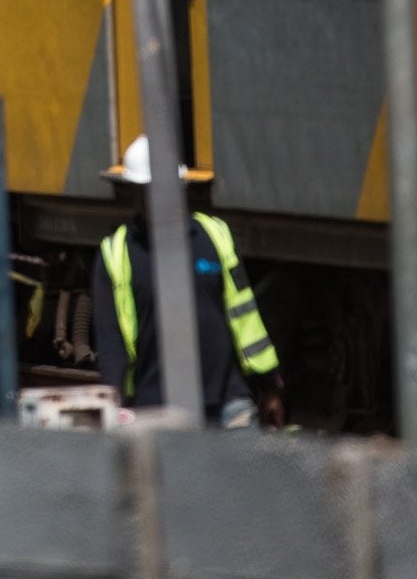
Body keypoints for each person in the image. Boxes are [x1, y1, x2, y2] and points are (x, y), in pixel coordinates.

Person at [90, 136, 284, 428]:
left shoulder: (215, 236)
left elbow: (245, 319)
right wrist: (114, 407)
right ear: (133, 193)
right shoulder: (116, 253)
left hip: (228, 401)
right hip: (158, 410)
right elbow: (111, 343)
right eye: (146, 191)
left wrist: (269, 387)